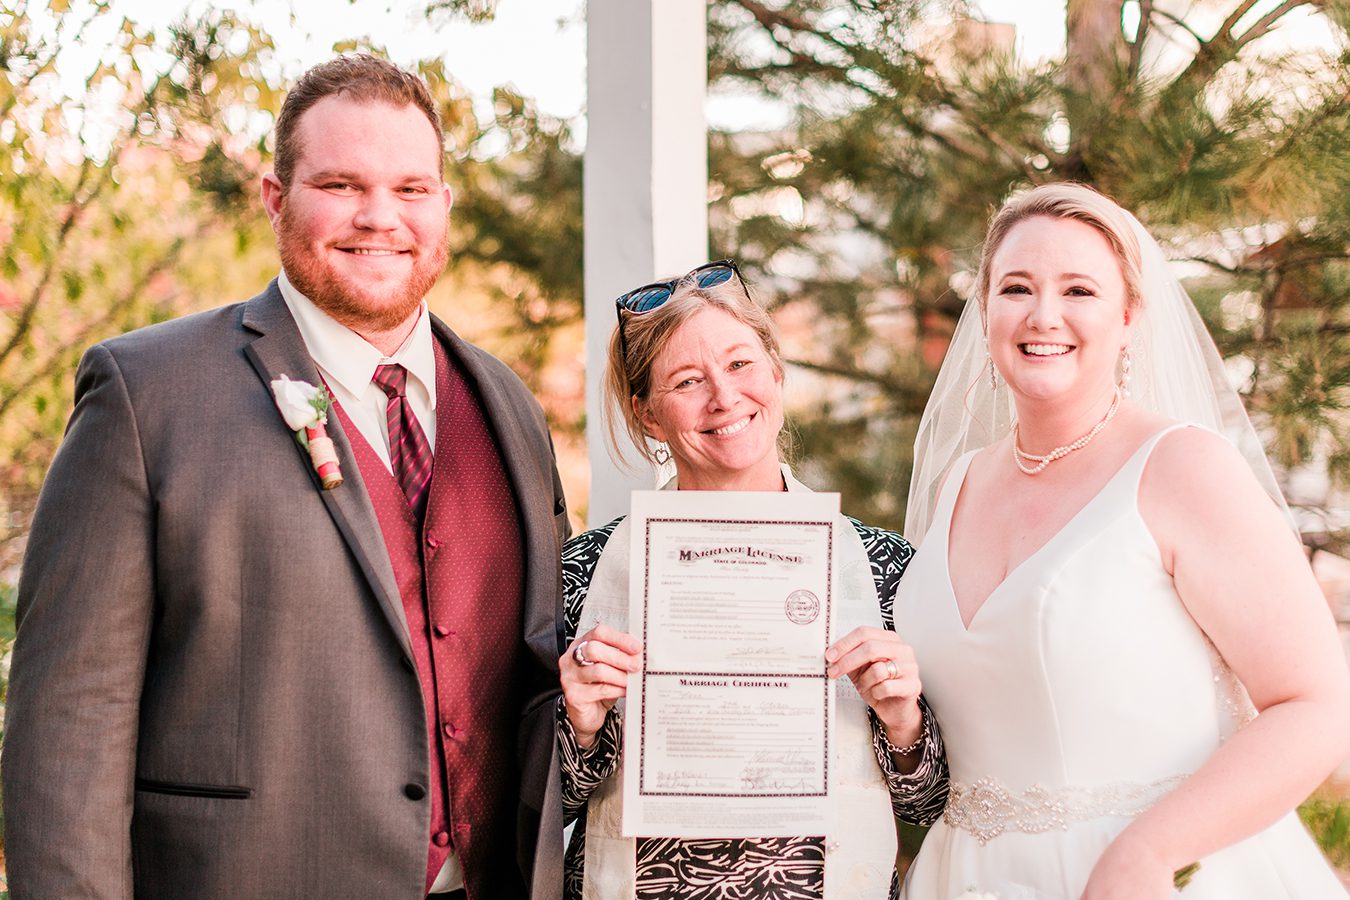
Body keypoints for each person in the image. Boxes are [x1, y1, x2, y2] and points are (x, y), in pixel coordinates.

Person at [2, 55, 568, 899]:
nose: (381, 218)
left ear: (443, 206)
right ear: (276, 199)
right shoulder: (146, 394)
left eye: (412, 189)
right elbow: (66, 728)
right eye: (341, 185)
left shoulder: (509, 406)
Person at [896, 182, 1350, 899]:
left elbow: (1318, 705)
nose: (1044, 315)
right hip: (968, 878)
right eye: (1017, 287)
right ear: (985, 310)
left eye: (1080, 290)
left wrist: (1149, 853)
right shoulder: (959, 482)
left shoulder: (1182, 468)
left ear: (1130, 315)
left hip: (1149, 876)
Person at [557, 260, 949, 900]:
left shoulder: (883, 567)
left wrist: (903, 719)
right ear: (647, 414)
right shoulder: (585, 571)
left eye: (740, 364)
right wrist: (580, 718)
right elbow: (550, 804)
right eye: (687, 380)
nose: (724, 396)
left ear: (776, 370)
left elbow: (931, 801)